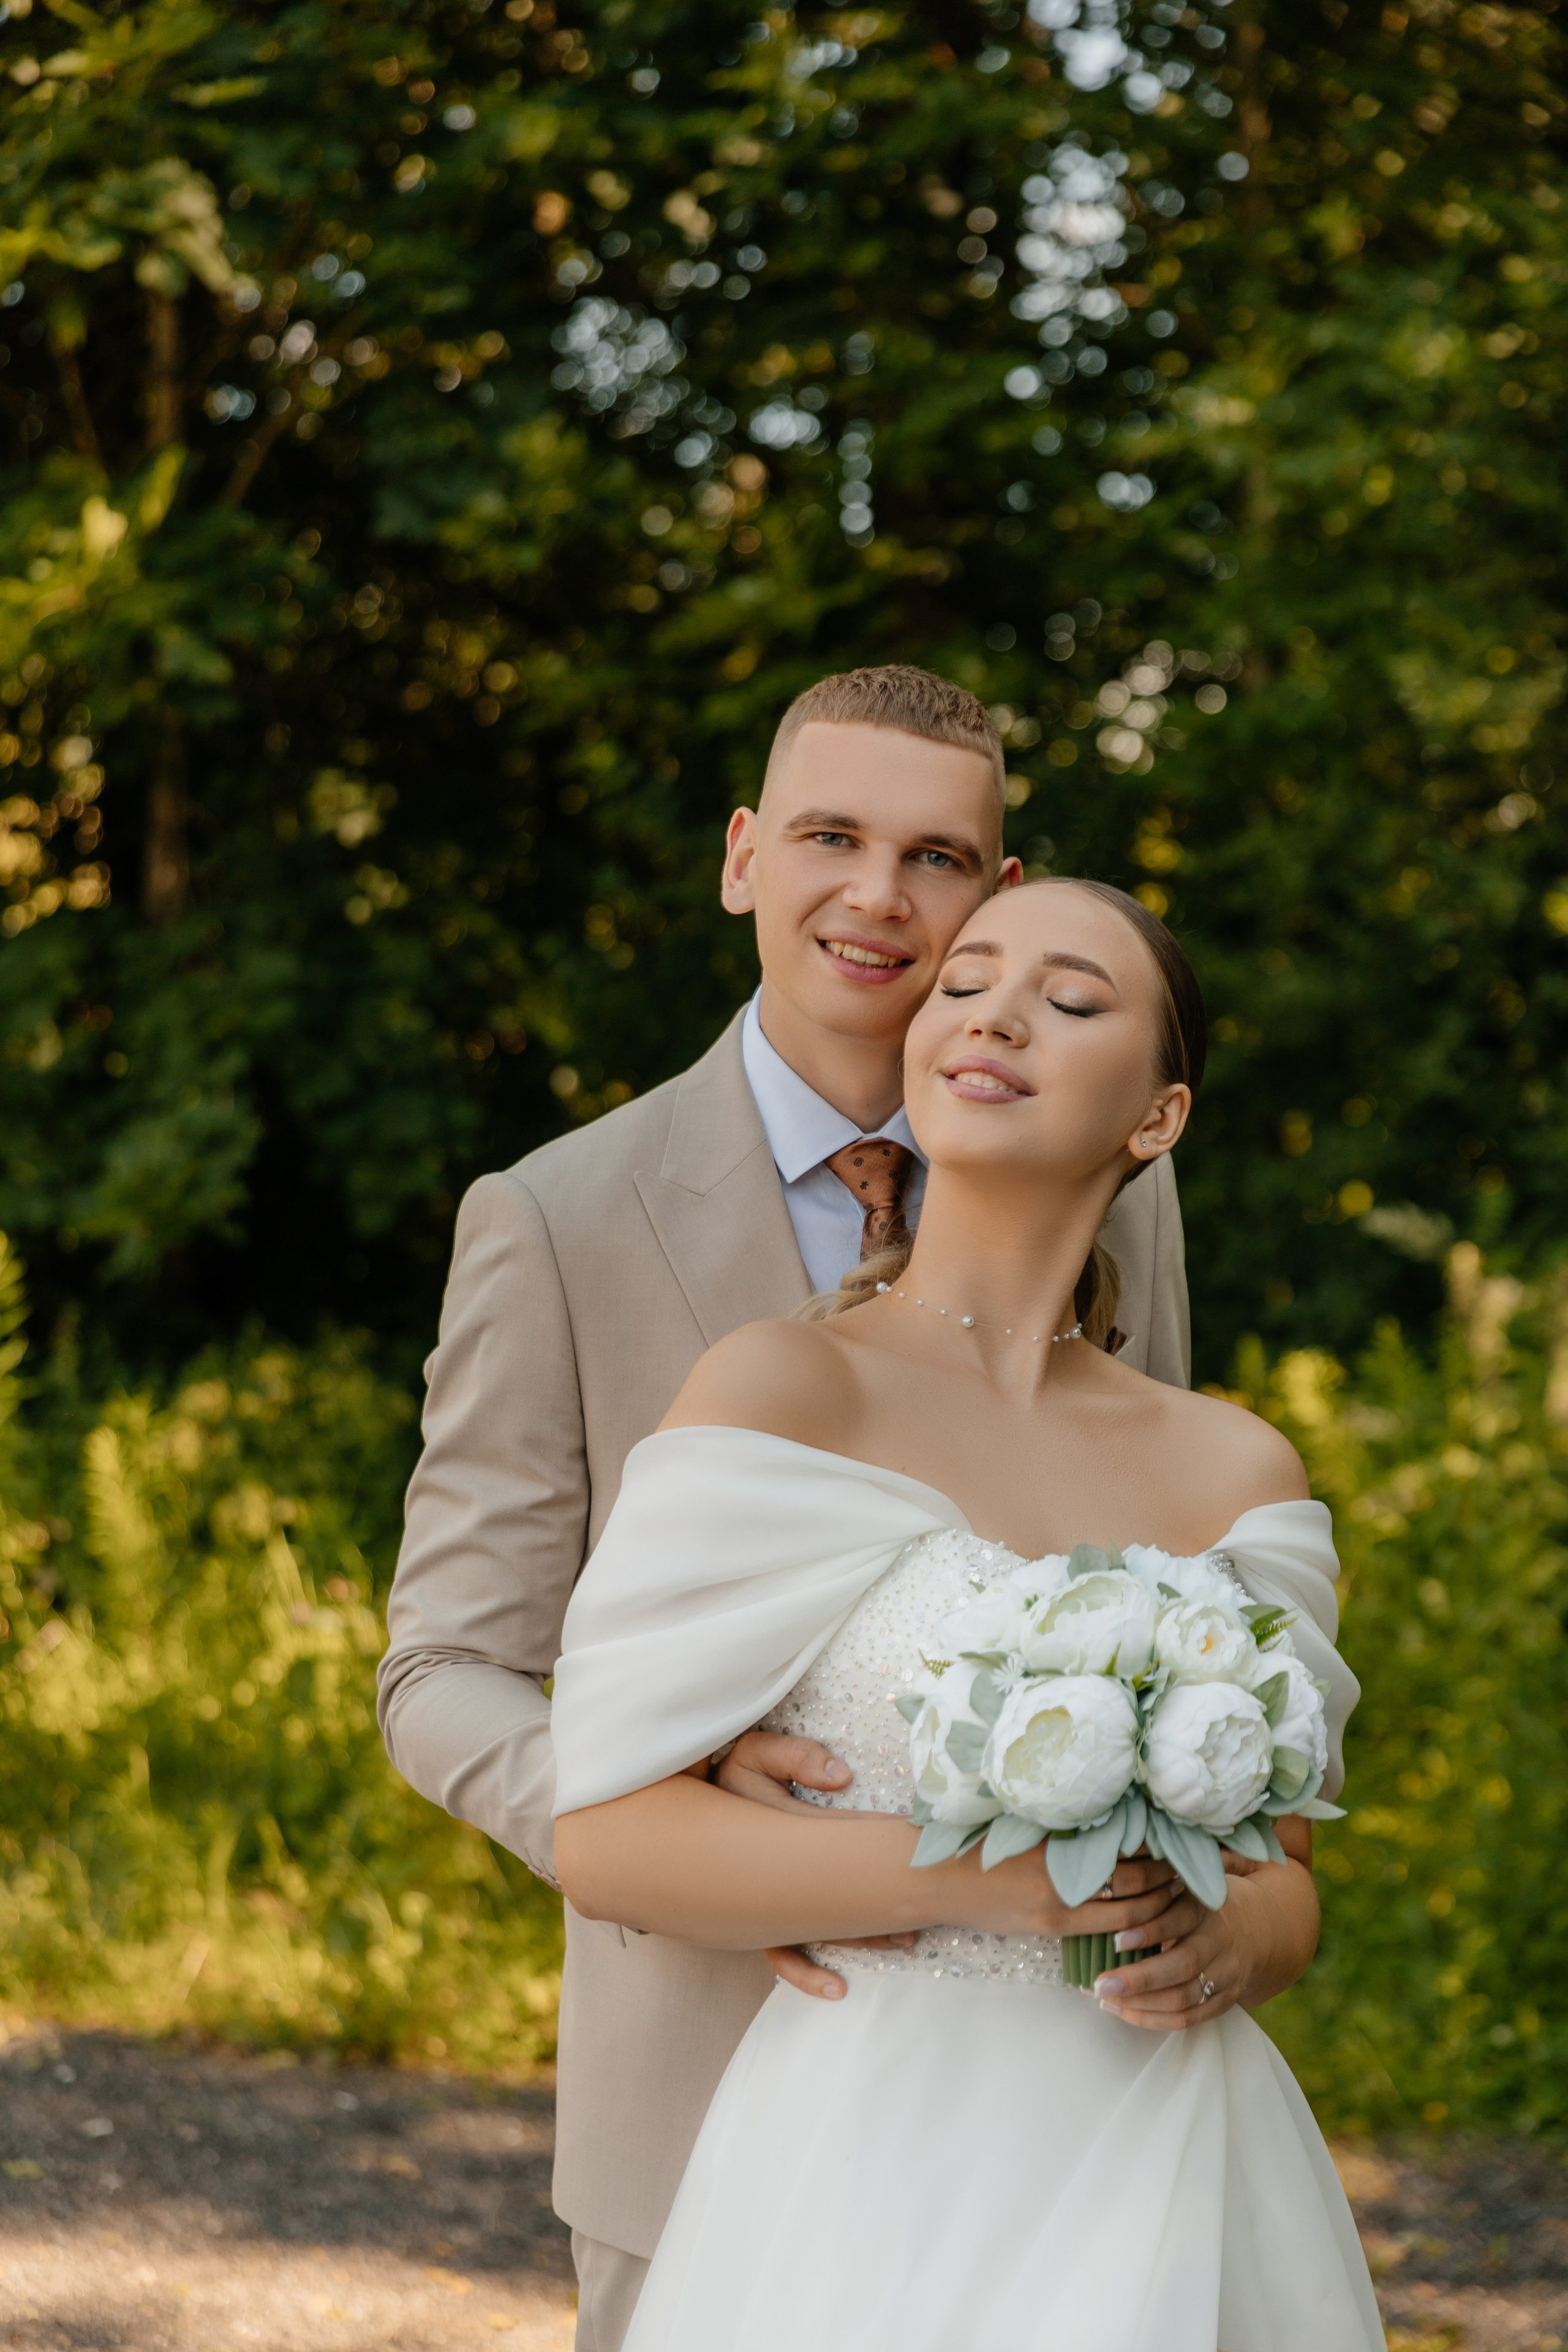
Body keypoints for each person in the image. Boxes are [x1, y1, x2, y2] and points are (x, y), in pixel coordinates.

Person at [377, 668, 1192, 2351]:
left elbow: (1153, 1565)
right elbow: (442, 1668)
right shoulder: (558, 1216)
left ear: (1002, 894)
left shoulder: (1122, 1180)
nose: (878, 897)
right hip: (701, 2084)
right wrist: (649, 1796)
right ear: (745, 856)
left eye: (938, 856)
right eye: (831, 836)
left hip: (1069, 2102)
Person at [551, 876, 1382, 2352]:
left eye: (1069, 1001)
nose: (995, 1010)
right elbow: (605, 1837)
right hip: (865, 2168)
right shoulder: (780, 1394)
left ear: (1158, 1118)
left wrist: (1221, 1940)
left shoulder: (1233, 1467)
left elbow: (1286, 1881)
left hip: (1170, 2151)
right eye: (964, 984)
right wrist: (977, 1885)